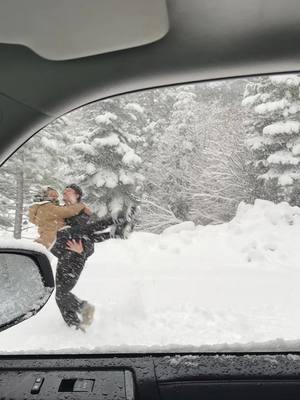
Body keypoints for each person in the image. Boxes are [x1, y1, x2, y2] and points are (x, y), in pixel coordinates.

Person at [51, 184, 116, 331]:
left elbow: (87, 235)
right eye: (64, 191)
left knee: (62, 294)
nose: (65, 193)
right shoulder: (63, 213)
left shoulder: (82, 212)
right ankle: (74, 326)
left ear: (77, 196)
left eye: (69, 191)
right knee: (60, 295)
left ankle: (84, 309)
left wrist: (82, 250)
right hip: (64, 256)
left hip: (75, 257)